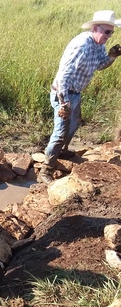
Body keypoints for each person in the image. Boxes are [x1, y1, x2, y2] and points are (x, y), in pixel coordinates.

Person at [38, 10, 121, 184]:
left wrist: (112, 56)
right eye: (107, 32)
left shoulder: (98, 45)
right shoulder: (81, 46)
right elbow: (63, 76)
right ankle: (46, 169)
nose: (109, 36)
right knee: (60, 132)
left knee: (75, 123)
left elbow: (99, 66)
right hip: (64, 93)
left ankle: (62, 151)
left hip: (75, 93)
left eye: (111, 32)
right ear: (95, 28)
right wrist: (64, 103)